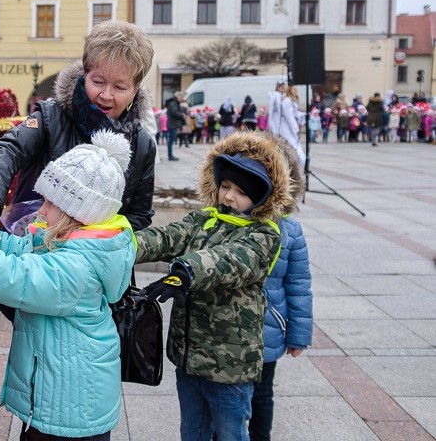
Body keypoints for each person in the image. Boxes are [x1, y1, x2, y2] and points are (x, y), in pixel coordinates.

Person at [0, 131, 136, 441]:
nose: (41, 210)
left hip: (70, 416)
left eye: (50, 203)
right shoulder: (71, 243)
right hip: (63, 402)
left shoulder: (76, 269)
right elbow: (13, 248)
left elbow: (2, 273)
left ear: (76, 215)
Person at [134, 131, 291, 441]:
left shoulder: (264, 235)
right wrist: (122, 245)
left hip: (228, 368)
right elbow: (166, 237)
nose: (230, 196)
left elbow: (229, 260)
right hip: (189, 359)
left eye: (242, 192)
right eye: (226, 186)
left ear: (260, 197)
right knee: (191, 432)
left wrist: (186, 271)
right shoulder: (203, 219)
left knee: (231, 433)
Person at [0, 19, 157, 233]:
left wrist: (95, 240)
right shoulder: (52, 117)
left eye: (120, 87)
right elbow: (7, 149)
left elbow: (139, 215)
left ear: (135, 89)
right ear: (85, 75)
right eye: (97, 82)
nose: (106, 95)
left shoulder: (142, 145)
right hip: (32, 251)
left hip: (96, 261)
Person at [249, 135, 313, 441]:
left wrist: (298, 334)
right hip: (226, 335)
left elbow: (299, 285)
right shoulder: (224, 223)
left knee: (262, 395)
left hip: (267, 330)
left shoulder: (289, 230)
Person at [276, 86, 305, 168]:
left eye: (297, 89)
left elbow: (295, 114)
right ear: (290, 90)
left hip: (290, 129)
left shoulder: (292, 100)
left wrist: (304, 115)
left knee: (296, 152)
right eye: (294, 89)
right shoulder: (287, 101)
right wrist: (295, 129)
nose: (296, 91)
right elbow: (290, 117)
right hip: (287, 129)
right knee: (295, 151)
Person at [165, 91, 187, 160]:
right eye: (181, 97)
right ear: (178, 97)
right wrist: (182, 115)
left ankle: (171, 156)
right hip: (172, 125)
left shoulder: (175, 103)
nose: (182, 98)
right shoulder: (174, 103)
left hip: (172, 124)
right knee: (171, 141)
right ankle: (170, 156)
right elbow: (174, 112)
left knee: (171, 141)